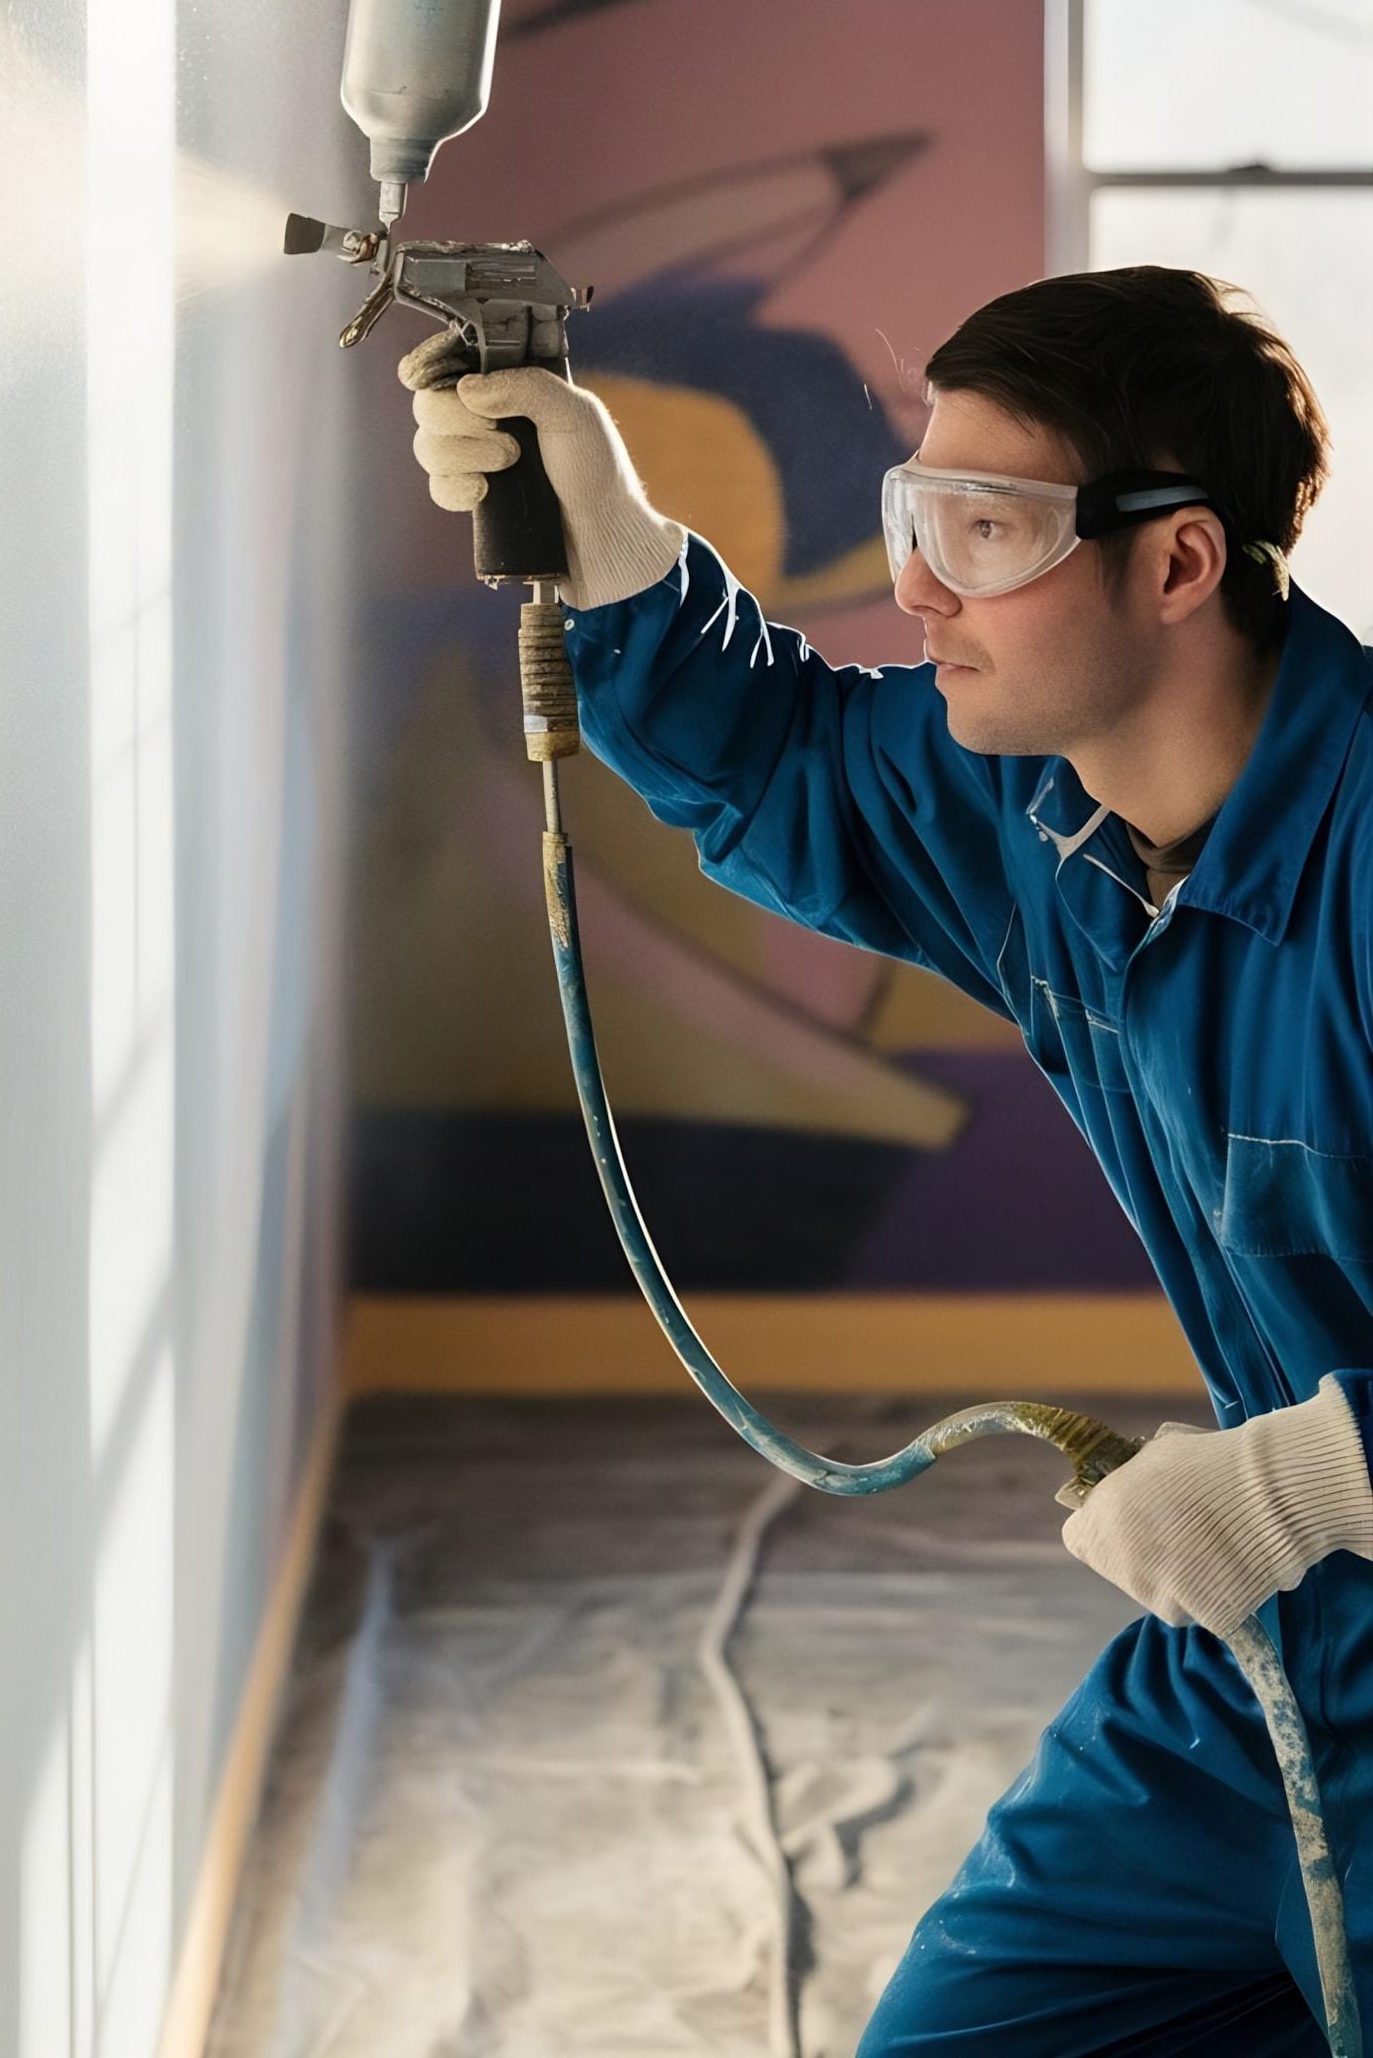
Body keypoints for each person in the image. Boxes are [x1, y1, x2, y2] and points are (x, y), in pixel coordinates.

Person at [402, 263, 1373, 2056]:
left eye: (986, 527)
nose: (921, 584)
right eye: (917, 511)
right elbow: (788, 753)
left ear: (1178, 563)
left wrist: (1305, 1482)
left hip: (1293, 1550)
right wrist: (603, 515)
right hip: (1255, 1662)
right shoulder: (1053, 810)